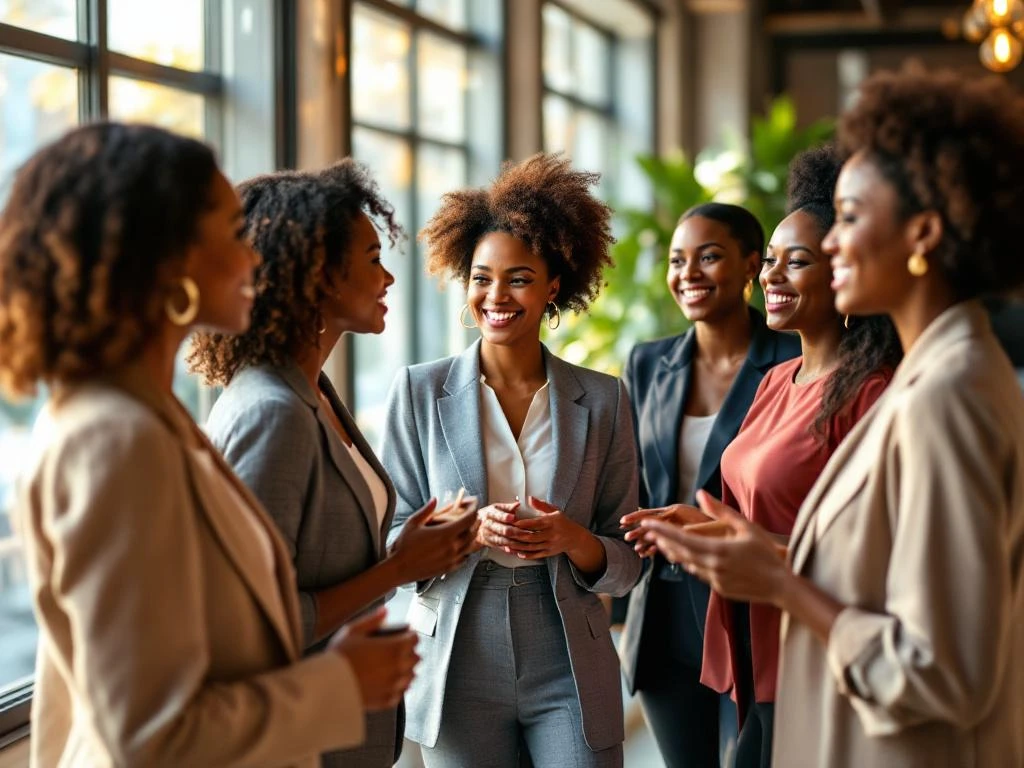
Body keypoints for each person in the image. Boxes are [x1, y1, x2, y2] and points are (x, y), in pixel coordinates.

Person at [0, 123, 418, 768]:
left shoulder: (150, 419)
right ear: (166, 259)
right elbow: (148, 738)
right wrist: (337, 684)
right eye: (229, 233)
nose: (255, 255)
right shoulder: (114, 440)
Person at [641, 67, 1024, 767]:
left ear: (924, 232)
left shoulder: (946, 392)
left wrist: (780, 582)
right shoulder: (935, 372)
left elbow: (939, 670)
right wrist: (759, 552)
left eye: (849, 218)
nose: (834, 242)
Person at [189, 161, 479, 767]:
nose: (389, 277)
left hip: (347, 727)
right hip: (300, 739)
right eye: (372, 259)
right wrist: (400, 567)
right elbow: (252, 625)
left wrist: (402, 550)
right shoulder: (273, 413)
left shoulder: (313, 389)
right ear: (317, 275)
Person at [380, 153, 641, 768]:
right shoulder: (418, 392)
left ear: (554, 286)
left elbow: (628, 562)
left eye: (519, 278)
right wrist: (465, 533)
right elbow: (387, 540)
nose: (496, 296)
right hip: (456, 652)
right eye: (481, 277)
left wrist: (571, 537)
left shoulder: (601, 400)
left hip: (567, 651)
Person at [682, 145, 900, 767]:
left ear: (842, 269)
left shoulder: (870, 394)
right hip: (756, 646)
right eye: (770, 262)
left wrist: (756, 553)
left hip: (815, 652)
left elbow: (870, 559)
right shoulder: (779, 379)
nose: (770, 277)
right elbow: (748, 505)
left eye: (795, 262)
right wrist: (692, 526)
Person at [617, 203, 800, 768]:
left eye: (709, 256)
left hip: (749, 612)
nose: (688, 273)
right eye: (677, 260)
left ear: (752, 265)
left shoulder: (793, 358)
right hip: (663, 619)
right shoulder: (649, 364)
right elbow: (630, 485)